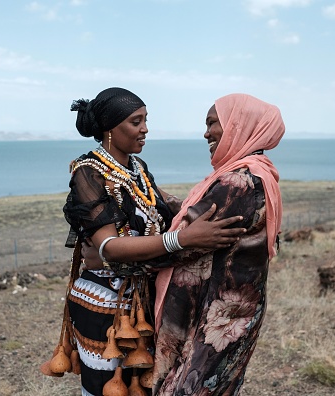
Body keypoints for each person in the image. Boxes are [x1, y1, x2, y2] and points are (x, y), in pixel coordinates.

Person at [51, 87, 245, 396]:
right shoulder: (88, 173)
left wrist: (232, 206)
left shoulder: (138, 170)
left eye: (145, 120)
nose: (145, 129)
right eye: (135, 121)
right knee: (108, 388)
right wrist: (181, 239)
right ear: (109, 129)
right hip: (105, 305)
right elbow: (108, 248)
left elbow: (170, 207)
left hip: (145, 301)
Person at [151, 93, 285, 395]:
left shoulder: (239, 182)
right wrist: (150, 190)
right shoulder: (256, 172)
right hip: (230, 313)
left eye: (213, 123)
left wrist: (111, 253)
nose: (206, 133)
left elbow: (186, 240)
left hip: (217, 320)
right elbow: (194, 214)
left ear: (238, 125)